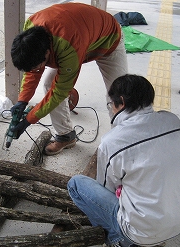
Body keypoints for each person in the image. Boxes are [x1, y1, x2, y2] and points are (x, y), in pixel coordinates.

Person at [68, 74, 180, 247]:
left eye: (111, 104)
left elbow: (106, 189)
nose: (111, 109)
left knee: (76, 184)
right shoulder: (172, 121)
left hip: (142, 231)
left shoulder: (112, 141)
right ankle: (155, 233)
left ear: (121, 102)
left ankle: (120, 241)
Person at [10, 2, 128, 155]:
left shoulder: (69, 46)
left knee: (119, 96)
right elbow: (33, 71)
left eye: (39, 66)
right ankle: (66, 136)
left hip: (109, 40)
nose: (37, 70)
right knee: (49, 83)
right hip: (83, 36)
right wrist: (22, 100)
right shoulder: (31, 29)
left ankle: (123, 146)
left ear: (47, 53)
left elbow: (60, 92)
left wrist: (28, 120)